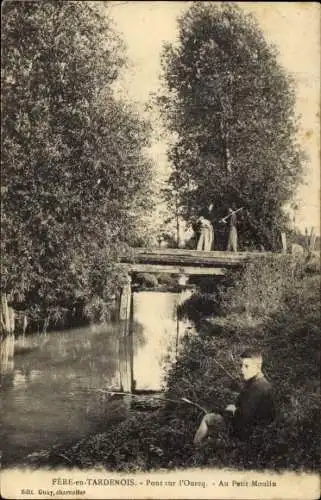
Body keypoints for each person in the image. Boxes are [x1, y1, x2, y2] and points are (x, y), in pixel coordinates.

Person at [193, 349, 275, 445]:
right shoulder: (261, 383)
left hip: (247, 434)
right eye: (241, 366)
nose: (242, 369)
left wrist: (233, 410)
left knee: (208, 418)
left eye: (246, 366)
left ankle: (195, 447)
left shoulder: (257, 387)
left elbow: (245, 418)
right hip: (257, 433)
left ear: (258, 367)